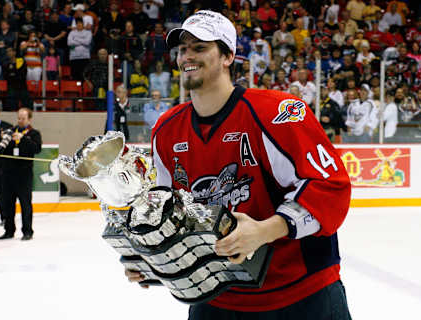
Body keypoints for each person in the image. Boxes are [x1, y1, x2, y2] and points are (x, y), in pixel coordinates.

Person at [125, 10, 352, 319]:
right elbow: (171, 212)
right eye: (183, 49)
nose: (187, 56)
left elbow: (330, 187)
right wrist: (155, 260)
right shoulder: (166, 130)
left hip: (302, 295)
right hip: (214, 297)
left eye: (200, 47)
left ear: (228, 56)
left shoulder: (278, 113)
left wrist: (266, 230)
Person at [0, 108, 42, 240]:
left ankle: (27, 231)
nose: (20, 120)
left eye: (23, 118)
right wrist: (2, 139)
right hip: (8, 174)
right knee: (8, 204)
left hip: (24, 175)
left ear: (29, 119)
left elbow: (37, 149)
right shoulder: (10, 131)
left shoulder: (33, 133)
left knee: (25, 204)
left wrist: (23, 139)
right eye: (19, 118)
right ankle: (9, 230)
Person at [2, 47, 33, 111]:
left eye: (9, 51)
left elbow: (23, 74)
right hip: (11, 87)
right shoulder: (5, 64)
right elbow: (6, 76)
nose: (8, 53)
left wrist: (13, 74)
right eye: (7, 52)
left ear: (14, 52)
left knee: (27, 103)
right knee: (10, 101)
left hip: (22, 86)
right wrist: (15, 74)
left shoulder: (21, 61)